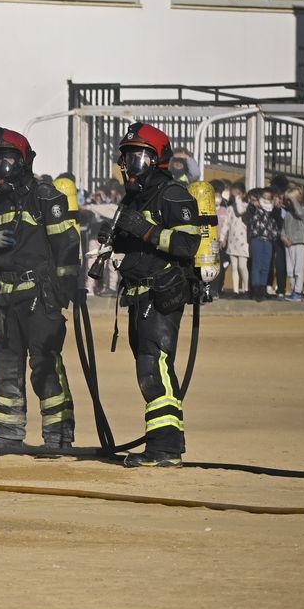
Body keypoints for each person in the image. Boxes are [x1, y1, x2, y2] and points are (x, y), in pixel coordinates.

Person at [0, 129, 79, 454]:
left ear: (23, 160)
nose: (1, 167)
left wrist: (61, 291)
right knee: (4, 370)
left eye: (6, 159)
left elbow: (67, 244)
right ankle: (6, 436)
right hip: (5, 300)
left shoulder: (45, 196)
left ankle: (58, 438)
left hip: (40, 298)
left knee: (45, 368)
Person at [103, 123, 202, 467]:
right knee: (150, 367)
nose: (131, 163)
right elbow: (136, 243)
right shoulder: (136, 196)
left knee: (153, 366)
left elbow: (189, 243)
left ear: (157, 158)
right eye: (128, 156)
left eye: (139, 156)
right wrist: (117, 237)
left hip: (162, 294)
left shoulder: (172, 195)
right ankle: (164, 444)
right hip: (138, 295)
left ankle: (164, 449)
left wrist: (144, 230)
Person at [244, 187, 280, 302]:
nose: (266, 200)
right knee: (257, 265)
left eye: (269, 198)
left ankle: (263, 289)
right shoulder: (254, 209)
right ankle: (256, 290)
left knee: (266, 266)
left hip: (268, 240)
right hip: (257, 239)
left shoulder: (273, 211)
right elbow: (249, 210)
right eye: (264, 197)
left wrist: (276, 206)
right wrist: (254, 204)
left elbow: (277, 219)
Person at [221, 182, 249, 299]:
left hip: (243, 242)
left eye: (238, 193)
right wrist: (222, 238)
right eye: (234, 193)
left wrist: (238, 199)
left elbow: (241, 211)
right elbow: (226, 224)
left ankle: (246, 289)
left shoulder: (246, 206)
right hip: (232, 242)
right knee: (234, 267)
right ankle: (236, 291)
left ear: (242, 194)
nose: (235, 195)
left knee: (242, 266)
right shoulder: (230, 209)